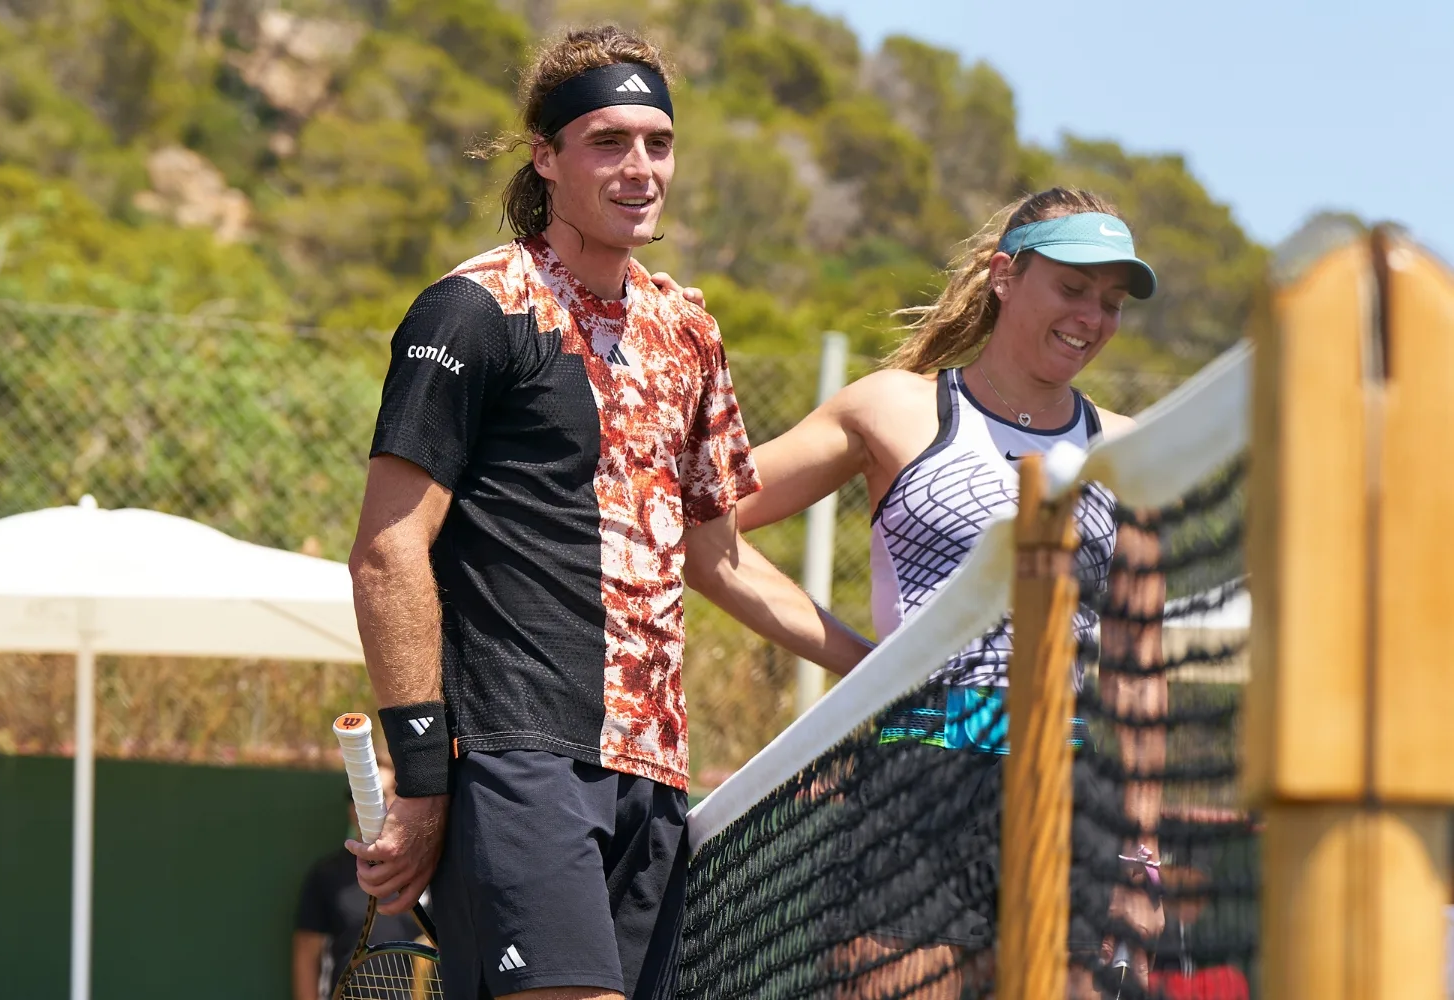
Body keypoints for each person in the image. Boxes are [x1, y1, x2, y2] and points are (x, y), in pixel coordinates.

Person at [346, 24, 872, 1000]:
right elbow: (387, 551)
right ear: (546, 156)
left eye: (657, 143)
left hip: (657, 777)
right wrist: (422, 778)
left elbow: (719, 556)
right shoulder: (473, 311)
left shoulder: (689, 333)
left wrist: (882, 670)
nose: (640, 168)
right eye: (607, 141)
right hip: (516, 756)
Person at [735, 187, 1168, 997]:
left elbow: (1139, 671)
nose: (1092, 318)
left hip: (1070, 799)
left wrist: (1139, 852)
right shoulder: (894, 408)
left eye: (1110, 303)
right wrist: (861, 665)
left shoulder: (1128, 452)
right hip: (915, 789)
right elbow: (703, 529)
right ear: (1006, 275)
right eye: (1073, 288)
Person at [293, 765, 422, 1000]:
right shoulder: (326, 876)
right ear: (351, 808)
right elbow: (306, 955)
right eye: (364, 795)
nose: (381, 803)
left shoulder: (428, 873)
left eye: (388, 792)